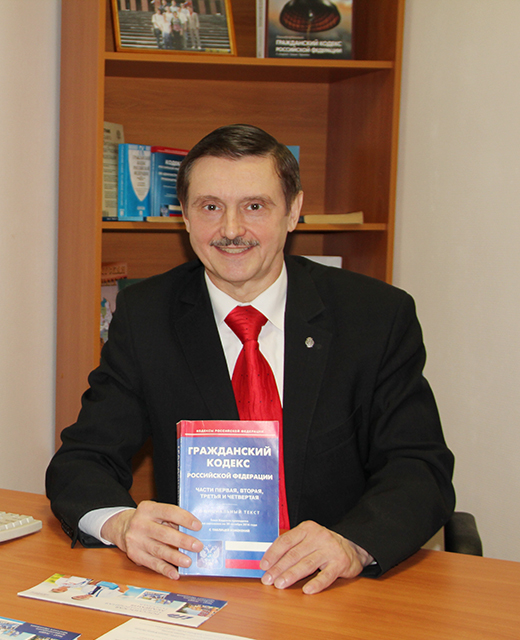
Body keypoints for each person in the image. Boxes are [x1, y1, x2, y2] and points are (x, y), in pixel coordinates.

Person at [45, 124, 455, 595]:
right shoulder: (146, 316)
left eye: (254, 206)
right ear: (185, 216)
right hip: (201, 585)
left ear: (293, 211)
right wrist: (120, 524)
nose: (231, 230)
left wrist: (353, 544)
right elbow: (83, 460)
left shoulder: (375, 315)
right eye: (210, 207)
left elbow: (419, 468)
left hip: (333, 590)